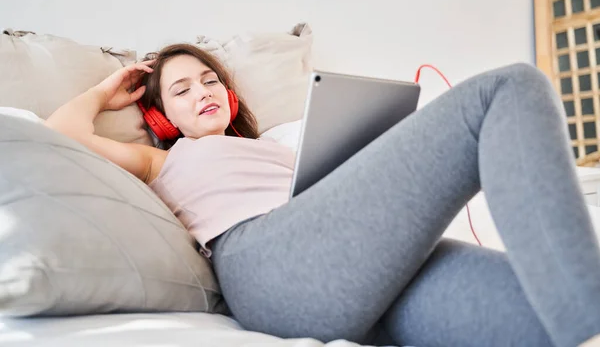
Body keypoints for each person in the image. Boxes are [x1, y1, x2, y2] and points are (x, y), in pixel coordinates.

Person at [46, 43, 600, 347]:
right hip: (267, 264)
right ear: (163, 117)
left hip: (353, 273)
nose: (201, 93)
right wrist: (103, 92)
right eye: (181, 90)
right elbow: (63, 131)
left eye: (210, 80)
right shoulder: (164, 159)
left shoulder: (285, 149)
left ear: (232, 96)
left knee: (540, 318)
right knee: (509, 88)